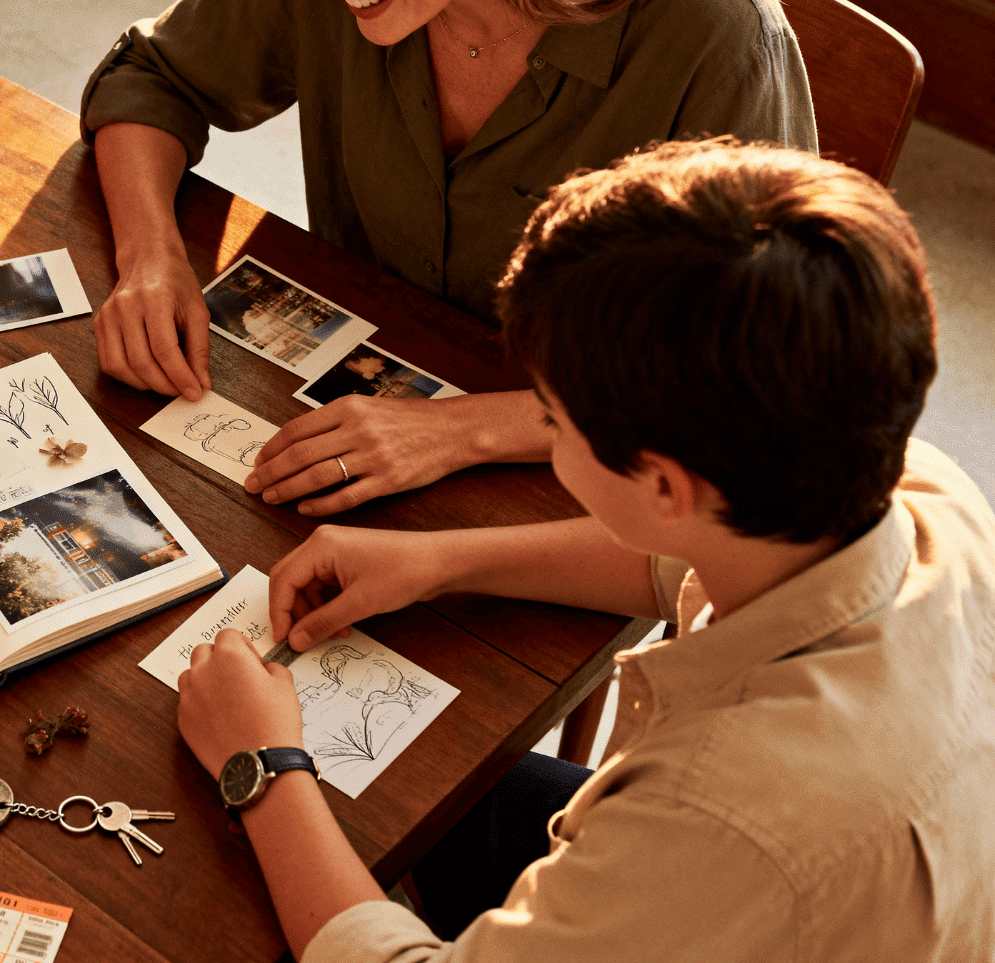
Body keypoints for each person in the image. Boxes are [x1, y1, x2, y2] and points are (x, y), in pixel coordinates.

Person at [175, 140, 995, 961]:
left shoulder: (716, 818)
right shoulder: (915, 487)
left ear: (664, 485)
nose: (545, 431)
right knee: (441, 799)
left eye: (554, 421)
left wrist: (263, 765)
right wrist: (443, 561)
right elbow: (682, 560)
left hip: (746, 877)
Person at [83, 0, 814, 515]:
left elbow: (760, 368)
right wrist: (151, 256)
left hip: (605, 478)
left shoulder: (712, 27)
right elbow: (151, 78)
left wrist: (464, 430)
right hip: (344, 416)